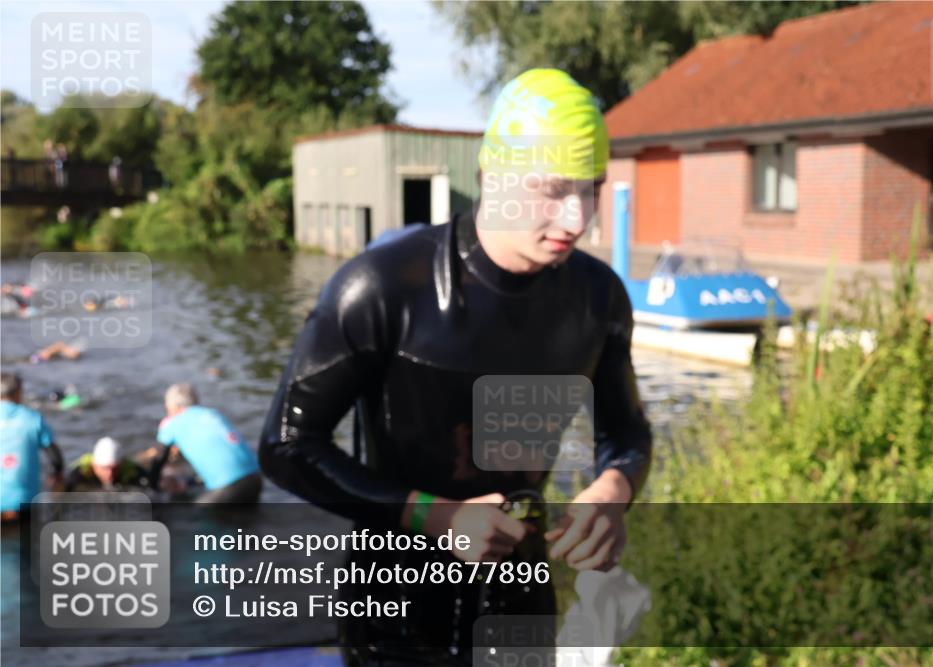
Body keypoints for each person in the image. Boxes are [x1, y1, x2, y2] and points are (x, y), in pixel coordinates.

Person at [259, 68, 652, 666]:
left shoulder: (598, 298)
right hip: (395, 609)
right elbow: (286, 445)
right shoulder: (382, 287)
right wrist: (435, 515)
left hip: (518, 597)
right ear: (492, 176)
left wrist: (613, 490)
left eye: (591, 188)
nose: (577, 219)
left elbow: (626, 433)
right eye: (553, 190)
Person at [151, 383, 261, 503]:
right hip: (255, 478)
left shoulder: (171, 422)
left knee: (189, 511)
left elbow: (159, 458)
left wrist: (153, 487)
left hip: (229, 486)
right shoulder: (213, 413)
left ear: (173, 406)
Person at [1, 373, 64, 521]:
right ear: (18, 392)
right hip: (23, 502)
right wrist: (57, 475)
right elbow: (55, 457)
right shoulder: (33, 418)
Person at [65, 437, 150, 492]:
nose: (110, 474)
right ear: (94, 465)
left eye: (114, 468)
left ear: (121, 465)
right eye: (104, 468)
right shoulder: (78, 473)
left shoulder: (134, 471)